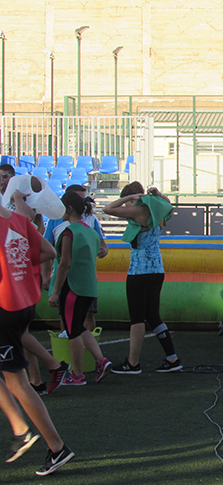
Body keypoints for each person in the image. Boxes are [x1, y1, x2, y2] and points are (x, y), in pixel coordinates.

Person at [0, 202, 75, 475]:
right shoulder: (18, 220)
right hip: (22, 304)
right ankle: (32, 435)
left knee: (18, 383)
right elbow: (48, 251)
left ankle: (45, 441)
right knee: (17, 380)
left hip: (5, 307)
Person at [103, 182, 182, 374]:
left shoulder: (138, 210)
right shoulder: (158, 210)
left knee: (137, 318)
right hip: (157, 269)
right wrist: (156, 194)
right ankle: (172, 358)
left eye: (128, 202)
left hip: (139, 271)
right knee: (153, 316)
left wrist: (131, 198)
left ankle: (133, 363)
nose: (126, 206)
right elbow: (168, 203)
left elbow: (108, 209)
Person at [47, 191, 112, 385]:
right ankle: (100, 360)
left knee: (72, 331)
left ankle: (77, 374)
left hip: (72, 288)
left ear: (69, 209)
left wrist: (55, 292)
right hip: (89, 286)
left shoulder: (69, 232)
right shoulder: (90, 231)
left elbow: (64, 264)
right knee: (79, 327)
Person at [42, 184, 109, 334]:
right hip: (80, 279)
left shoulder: (73, 230)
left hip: (73, 280)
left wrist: (55, 291)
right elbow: (49, 249)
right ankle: (90, 348)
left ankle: (75, 346)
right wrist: (45, 276)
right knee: (70, 320)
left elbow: (65, 263)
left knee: (73, 323)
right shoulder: (59, 222)